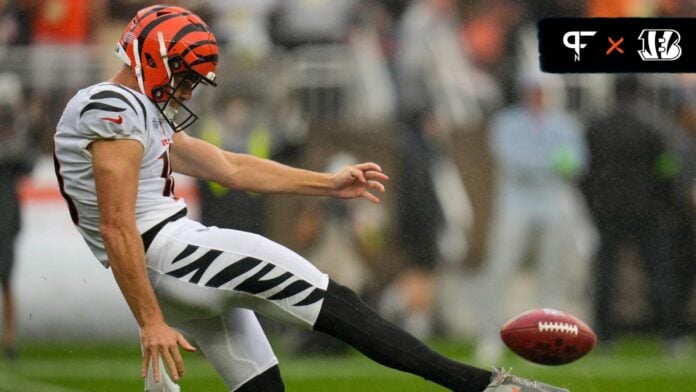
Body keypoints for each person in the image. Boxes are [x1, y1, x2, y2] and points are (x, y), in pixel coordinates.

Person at [53, 5, 568, 392]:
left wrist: (328, 183)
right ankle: (487, 387)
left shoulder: (129, 110)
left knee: (263, 386)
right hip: (171, 255)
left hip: (168, 267)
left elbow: (230, 166)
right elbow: (118, 226)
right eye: (184, 77)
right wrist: (149, 322)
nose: (187, 92)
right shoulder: (112, 109)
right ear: (151, 59)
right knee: (336, 302)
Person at [475, 72, 589, 365]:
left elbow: (577, 163)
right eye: (533, 90)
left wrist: (548, 163)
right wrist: (551, 162)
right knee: (500, 267)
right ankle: (490, 335)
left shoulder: (565, 124)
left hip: (553, 205)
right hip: (516, 205)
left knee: (551, 273)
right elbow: (513, 160)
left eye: (542, 91)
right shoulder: (507, 122)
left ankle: (542, 341)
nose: (538, 96)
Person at [580, 75, 687, 352]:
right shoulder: (652, 126)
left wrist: (594, 204)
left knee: (606, 276)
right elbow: (667, 169)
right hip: (647, 209)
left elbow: (585, 171)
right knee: (659, 273)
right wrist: (669, 204)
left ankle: (604, 337)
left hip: (609, 210)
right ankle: (672, 335)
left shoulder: (597, 126)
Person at [0, 72, 33, 360]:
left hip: (6, 213)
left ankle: (9, 340)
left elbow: (27, 164)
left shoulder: (16, 135)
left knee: (6, 277)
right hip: (7, 211)